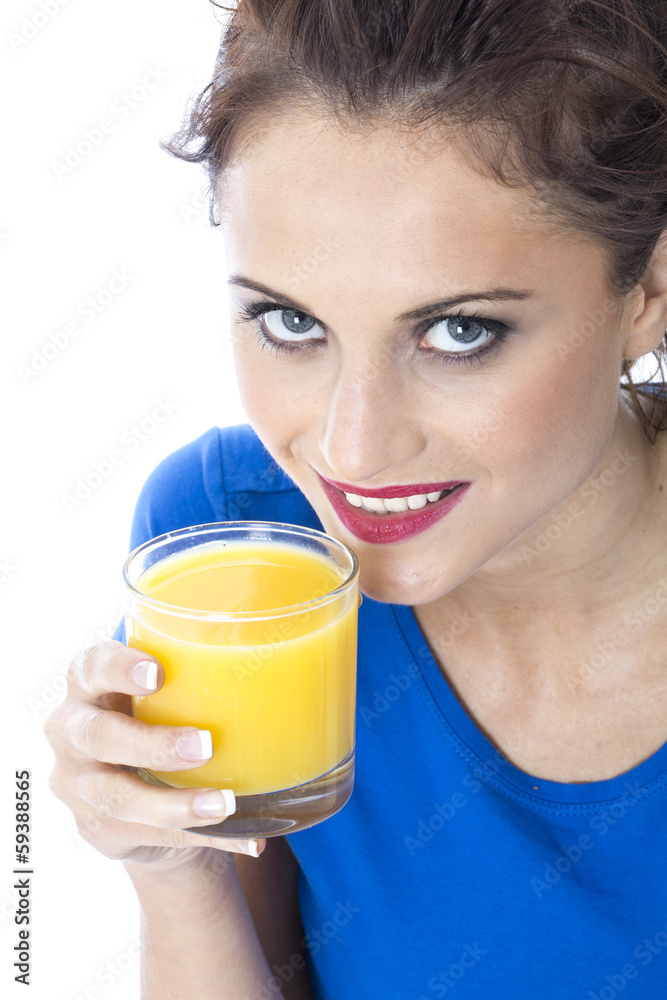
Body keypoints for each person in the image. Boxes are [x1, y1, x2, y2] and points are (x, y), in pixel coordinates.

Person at [44, 1, 667, 997]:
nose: (351, 450)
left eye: (459, 332)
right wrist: (176, 868)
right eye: (290, 322)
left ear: (648, 290)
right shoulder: (233, 541)